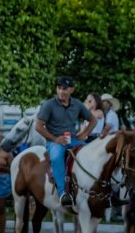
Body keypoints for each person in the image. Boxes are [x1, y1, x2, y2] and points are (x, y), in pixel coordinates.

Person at [35, 76, 96, 207]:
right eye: (59, 88)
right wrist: (55, 139)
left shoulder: (77, 104)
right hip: (55, 141)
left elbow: (93, 120)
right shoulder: (48, 105)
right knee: (57, 157)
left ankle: (97, 191)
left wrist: (84, 134)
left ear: (72, 90)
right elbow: (38, 126)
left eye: (65, 89)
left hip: (73, 140)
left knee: (91, 155)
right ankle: (63, 193)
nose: (61, 91)